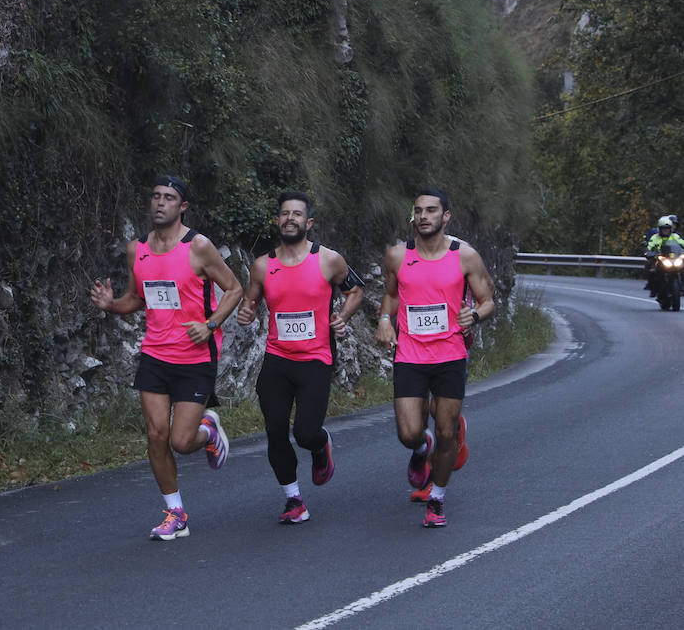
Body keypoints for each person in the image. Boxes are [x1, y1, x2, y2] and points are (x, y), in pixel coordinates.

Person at [90, 175, 244, 540]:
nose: (160, 203)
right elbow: (136, 300)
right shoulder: (137, 250)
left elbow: (234, 289)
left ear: (182, 206)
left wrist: (210, 324)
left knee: (179, 440)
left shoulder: (199, 247)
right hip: (155, 354)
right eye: (156, 196)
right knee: (156, 435)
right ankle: (176, 513)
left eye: (169, 198)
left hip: (194, 356)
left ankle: (208, 431)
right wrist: (111, 305)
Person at [236, 191, 364, 524]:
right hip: (277, 359)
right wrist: (247, 313)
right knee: (276, 430)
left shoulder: (328, 260)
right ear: (277, 221)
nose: (289, 219)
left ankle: (321, 445)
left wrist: (343, 316)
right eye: (284, 214)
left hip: (316, 358)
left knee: (306, 433)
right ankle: (293, 499)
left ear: (308, 223)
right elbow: (251, 300)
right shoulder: (263, 265)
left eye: (296, 214)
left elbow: (355, 290)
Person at [375, 189, 494, 528]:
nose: (424, 216)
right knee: (408, 433)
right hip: (410, 354)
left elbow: (487, 299)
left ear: (446, 217)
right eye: (418, 211)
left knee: (447, 432)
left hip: (450, 354)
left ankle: (437, 499)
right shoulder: (397, 256)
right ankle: (419, 446)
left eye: (431, 210)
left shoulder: (465, 256)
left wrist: (476, 315)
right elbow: (390, 296)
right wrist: (384, 320)